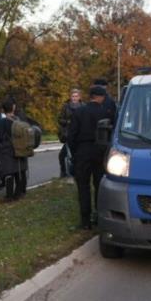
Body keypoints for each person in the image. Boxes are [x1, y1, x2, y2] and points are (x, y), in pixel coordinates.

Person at [67, 85, 114, 229]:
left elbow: (71, 136)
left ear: (91, 96)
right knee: (99, 186)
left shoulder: (80, 111)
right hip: (100, 152)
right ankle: (100, 218)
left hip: (83, 151)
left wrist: (75, 153)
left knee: (83, 187)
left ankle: (85, 221)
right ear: (100, 97)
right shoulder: (106, 113)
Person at [56, 88, 82, 178]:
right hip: (68, 135)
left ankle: (77, 173)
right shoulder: (65, 107)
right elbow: (59, 119)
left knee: (78, 156)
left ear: (79, 97)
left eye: (76, 96)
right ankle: (63, 172)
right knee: (62, 155)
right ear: (70, 97)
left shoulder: (83, 107)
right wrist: (67, 122)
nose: (74, 98)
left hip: (79, 136)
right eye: (73, 96)